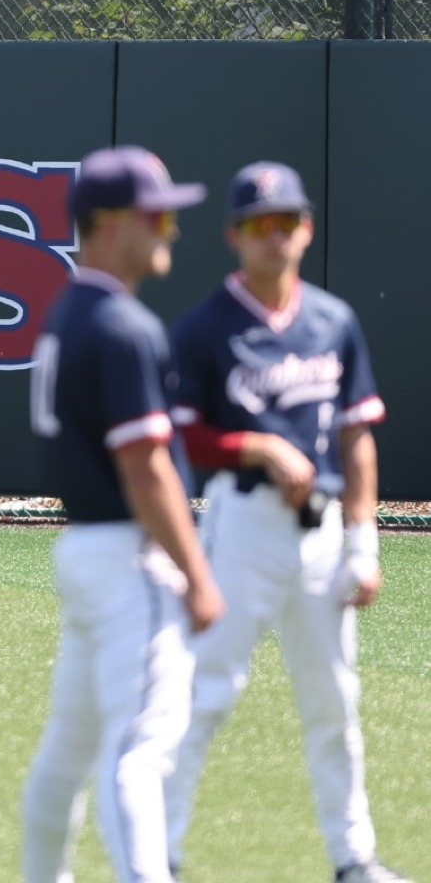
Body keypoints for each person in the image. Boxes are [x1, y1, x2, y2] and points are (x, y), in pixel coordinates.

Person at [163, 162, 411, 883]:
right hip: (242, 528)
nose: (273, 236)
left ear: (306, 229)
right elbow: (182, 435)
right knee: (203, 693)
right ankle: (157, 858)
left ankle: (353, 859)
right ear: (233, 236)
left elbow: (357, 437)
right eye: (257, 225)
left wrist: (363, 543)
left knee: (335, 704)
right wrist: (256, 446)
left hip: (322, 535)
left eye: (285, 222)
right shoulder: (205, 326)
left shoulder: (332, 321)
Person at [23, 145, 224, 883]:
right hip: (127, 557)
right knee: (138, 752)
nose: (171, 229)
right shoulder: (121, 325)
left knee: (67, 753)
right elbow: (146, 471)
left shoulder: (68, 312)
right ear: (109, 224)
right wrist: (196, 572)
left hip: (86, 552)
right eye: (157, 216)